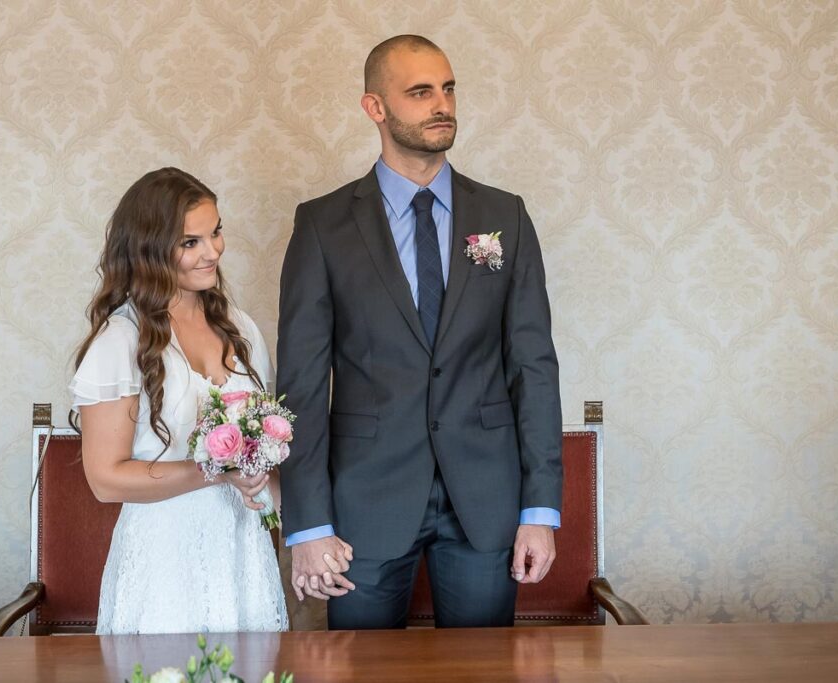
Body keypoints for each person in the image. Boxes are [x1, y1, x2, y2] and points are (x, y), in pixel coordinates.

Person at [277, 35, 563, 629]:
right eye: (421, 92)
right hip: (364, 503)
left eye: (449, 89)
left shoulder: (504, 216)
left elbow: (534, 367)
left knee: (484, 669)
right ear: (375, 107)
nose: (442, 105)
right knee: (361, 668)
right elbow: (300, 384)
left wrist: (540, 511)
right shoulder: (323, 225)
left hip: (485, 501)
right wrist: (308, 524)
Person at [69, 167, 288, 634]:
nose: (213, 251)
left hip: (241, 548)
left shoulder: (241, 328)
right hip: (164, 556)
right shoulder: (120, 341)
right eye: (191, 242)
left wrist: (287, 505)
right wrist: (218, 472)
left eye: (216, 232)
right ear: (149, 249)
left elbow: (264, 446)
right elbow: (105, 479)